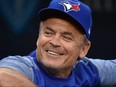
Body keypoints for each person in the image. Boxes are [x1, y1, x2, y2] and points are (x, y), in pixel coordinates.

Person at [0, 0, 116, 87]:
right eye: (48, 33)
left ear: (83, 49)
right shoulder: (27, 67)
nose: (54, 42)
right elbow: (3, 76)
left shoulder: (87, 70)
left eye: (66, 37)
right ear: (38, 38)